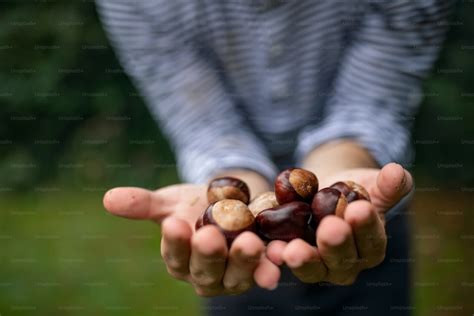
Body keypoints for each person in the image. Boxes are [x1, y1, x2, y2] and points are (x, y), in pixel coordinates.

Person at [96, 0, 454, 315]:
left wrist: (341, 162)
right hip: (239, 259)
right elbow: (203, 121)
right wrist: (238, 183)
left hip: (368, 215)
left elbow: (371, 99)